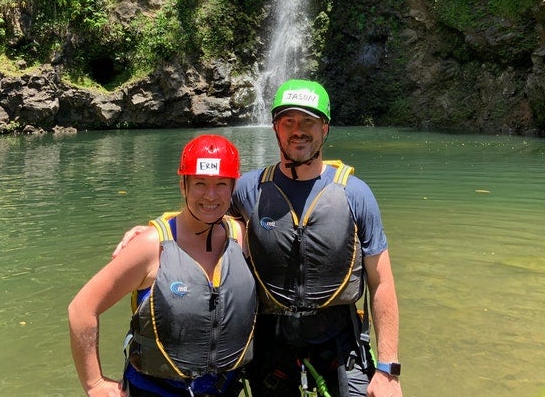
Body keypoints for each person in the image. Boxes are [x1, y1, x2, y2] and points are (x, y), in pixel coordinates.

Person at [114, 80, 403, 397]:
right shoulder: (250, 188)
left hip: (336, 335)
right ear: (276, 128)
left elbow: (382, 281)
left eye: (308, 121)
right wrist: (158, 227)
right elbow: (207, 210)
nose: (298, 130)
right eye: (288, 121)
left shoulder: (355, 193)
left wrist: (388, 369)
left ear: (325, 128)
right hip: (270, 336)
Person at [69, 134, 257, 397]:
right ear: (184, 185)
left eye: (221, 184)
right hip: (157, 390)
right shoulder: (150, 246)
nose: (210, 195)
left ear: (233, 186)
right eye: (200, 183)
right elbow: (82, 308)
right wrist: (95, 383)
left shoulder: (240, 236)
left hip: (223, 387)